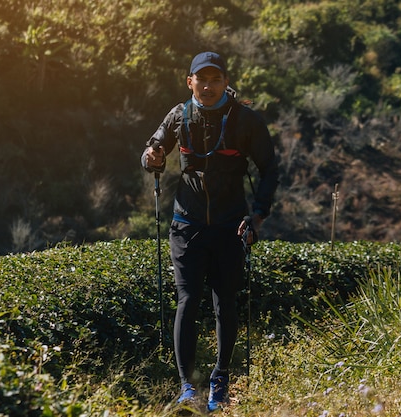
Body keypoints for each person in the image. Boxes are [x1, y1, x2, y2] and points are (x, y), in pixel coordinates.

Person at [141, 51, 279, 412]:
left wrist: (258, 215)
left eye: (215, 79)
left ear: (225, 82)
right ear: (190, 83)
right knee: (187, 301)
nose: (207, 85)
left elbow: (270, 169)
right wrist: (152, 157)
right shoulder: (178, 115)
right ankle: (187, 386)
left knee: (225, 304)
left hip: (230, 224)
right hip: (186, 224)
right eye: (201, 79)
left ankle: (220, 379)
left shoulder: (246, 120)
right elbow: (152, 150)